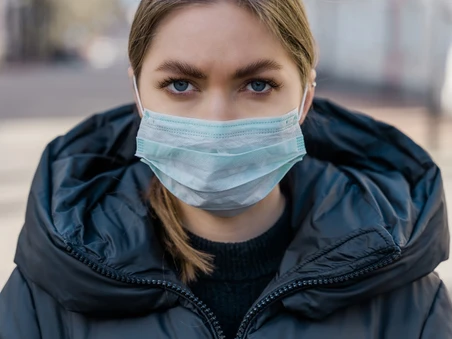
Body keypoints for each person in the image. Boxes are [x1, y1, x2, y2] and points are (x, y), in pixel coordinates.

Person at [1, 0, 451, 338]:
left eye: (258, 84)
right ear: (139, 95)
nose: (216, 122)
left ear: (304, 99)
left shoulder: (403, 293)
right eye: (180, 84)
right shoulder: (52, 287)